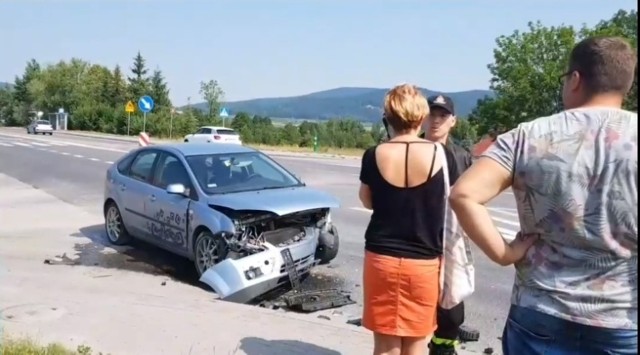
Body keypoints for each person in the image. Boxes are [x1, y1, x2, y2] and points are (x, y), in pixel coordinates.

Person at [449, 35, 638, 354]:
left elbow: (463, 195)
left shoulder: (528, 136)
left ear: (575, 79)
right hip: (622, 320)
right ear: (626, 87)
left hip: (539, 312)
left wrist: (504, 254)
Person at [359, 84, 455, 355]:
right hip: (423, 262)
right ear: (421, 116)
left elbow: (367, 200)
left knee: (385, 343)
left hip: (381, 258)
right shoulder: (441, 154)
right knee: (417, 341)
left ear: (388, 117)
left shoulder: (373, 154)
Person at [421, 95, 475, 355]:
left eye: (442, 115)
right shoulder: (410, 151)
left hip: (450, 240)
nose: (436, 120)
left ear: (453, 121)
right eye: (432, 114)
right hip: (418, 241)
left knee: (451, 309)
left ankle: (443, 348)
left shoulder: (462, 157)